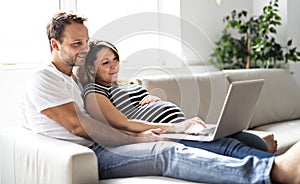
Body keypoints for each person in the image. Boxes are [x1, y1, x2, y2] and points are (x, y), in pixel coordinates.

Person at [21, 10, 300, 184]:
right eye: (76, 44)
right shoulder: (43, 78)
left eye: (86, 41)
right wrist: (139, 138)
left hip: (104, 144)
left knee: (202, 136)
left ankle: (269, 162)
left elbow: (105, 115)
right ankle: (272, 172)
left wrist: (148, 117)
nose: (85, 50)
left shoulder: (73, 79)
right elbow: (78, 127)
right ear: (55, 45)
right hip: (94, 152)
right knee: (166, 151)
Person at [77, 39, 276, 159]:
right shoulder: (94, 92)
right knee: (231, 147)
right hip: (169, 133)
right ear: (92, 68)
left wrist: (150, 97)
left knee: (247, 139)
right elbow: (123, 123)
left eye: (116, 59)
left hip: (182, 127)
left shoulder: (124, 85)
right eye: (105, 62)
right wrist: (175, 128)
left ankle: (266, 153)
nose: (114, 66)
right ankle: (277, 168)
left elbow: (135, 107)